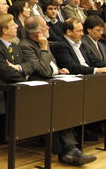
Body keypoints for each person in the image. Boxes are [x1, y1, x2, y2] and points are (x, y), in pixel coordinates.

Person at [19, 16, 96, 166]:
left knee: (68, 103)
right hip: (35, 91)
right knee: (56, 108)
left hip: (52, 84)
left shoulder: (44, 43)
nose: (48, 28)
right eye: (44, 27)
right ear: (36, 32)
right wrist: (43, 48)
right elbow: (43, 70)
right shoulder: (26, 46)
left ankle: (71, 150)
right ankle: (68, 151)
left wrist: (58, 70)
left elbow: (49, 66)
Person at [0, 14, 36, 116]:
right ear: (5, 30)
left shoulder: (15, 47)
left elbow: (31, 64)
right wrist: (25, 75)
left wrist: (18, 67)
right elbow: (7, 73)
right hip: (2, 95)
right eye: (13, 25)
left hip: (18, 91)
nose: (17, 26)